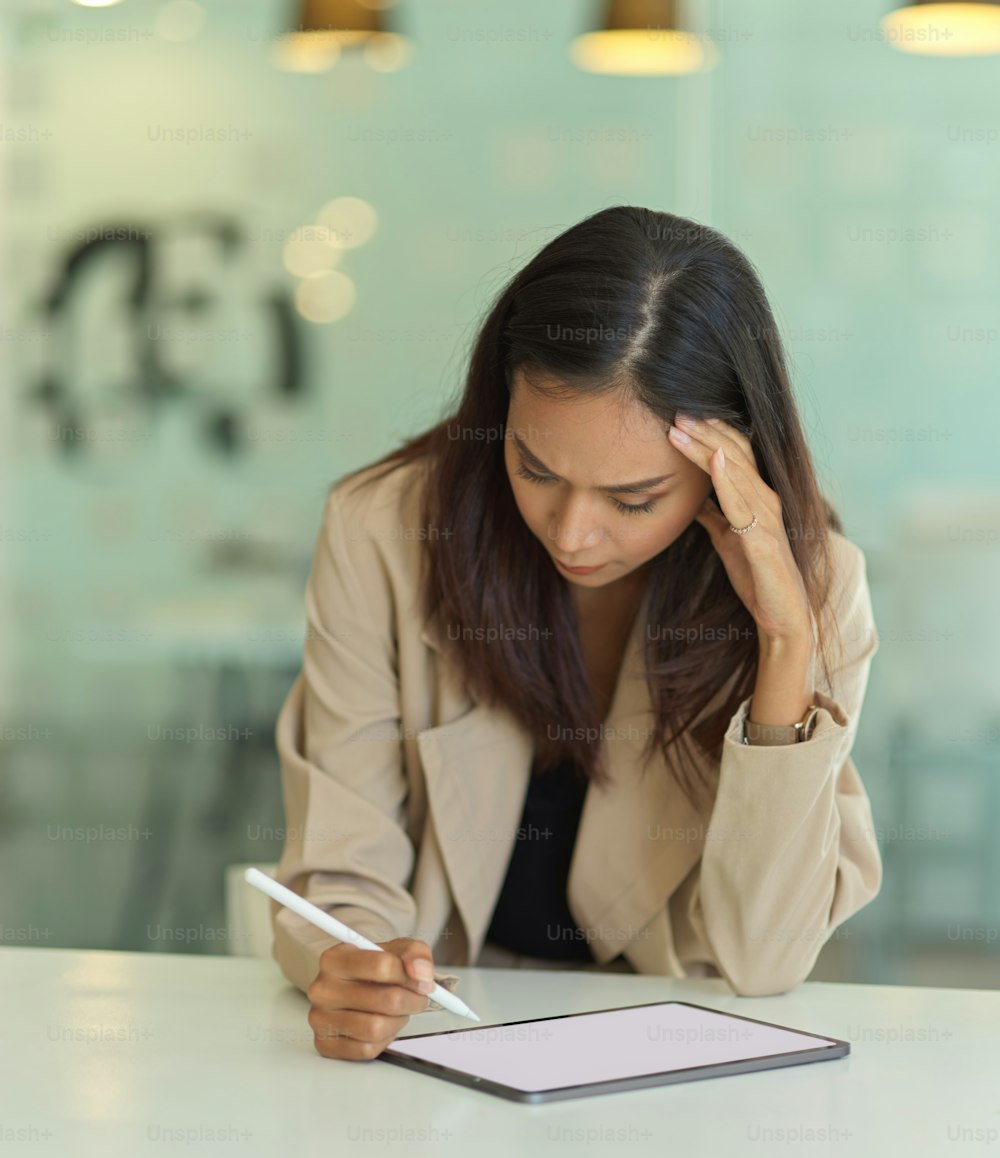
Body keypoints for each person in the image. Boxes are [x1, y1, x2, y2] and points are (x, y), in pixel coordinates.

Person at [269, 205, 882, 1061]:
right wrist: (351, 959)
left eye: (634, 500)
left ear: (729, 464)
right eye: (534, 467)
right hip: (448, 1030)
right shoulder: (385, 532)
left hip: (672, 1058)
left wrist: (784, 643)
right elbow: (342, 857)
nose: (571, 533)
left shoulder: (815, 589)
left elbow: (763, 958)